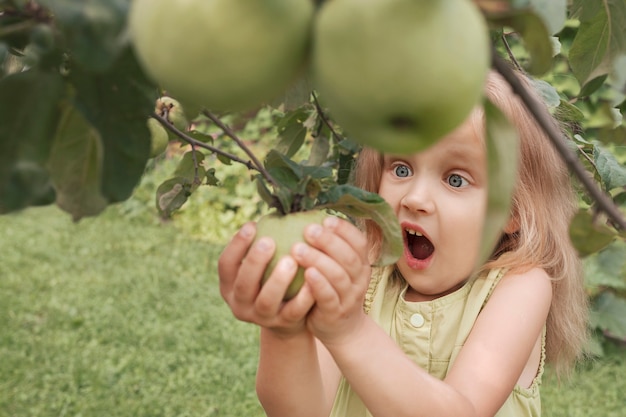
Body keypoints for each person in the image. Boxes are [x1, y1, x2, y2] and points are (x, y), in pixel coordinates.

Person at [217, 70, 589, 417]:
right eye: (401, 169)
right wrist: (284, 330)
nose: (414, 198)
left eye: (456, 180)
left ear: (513, 211)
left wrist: (350, 332)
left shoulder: (521, 284)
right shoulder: (365, 270)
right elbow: (302, 410)